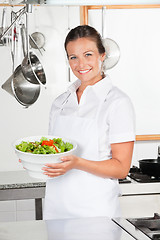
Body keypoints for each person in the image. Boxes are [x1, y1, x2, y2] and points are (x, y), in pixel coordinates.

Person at [42, 25, 135, 220]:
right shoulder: (60, 102)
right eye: (73, 57)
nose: (80, 63)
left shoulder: (117, 102)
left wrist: (77, 163)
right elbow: (54, 154)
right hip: (56, 208)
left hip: (96, 212)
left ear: (102, 55)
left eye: (88, 54)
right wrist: (34, 159)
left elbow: (121, 168)